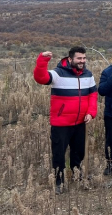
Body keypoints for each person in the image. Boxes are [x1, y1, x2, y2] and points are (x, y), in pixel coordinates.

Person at [33, 47, 97, 194]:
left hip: (81, 122)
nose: (82, 61)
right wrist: (42, 60)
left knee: (78, 152)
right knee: (59, 154)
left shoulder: (88, 74)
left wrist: (91, 113)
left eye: (84, 58)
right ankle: (59, 182)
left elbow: (93, 94)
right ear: (70, 59)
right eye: (79, 59)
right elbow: (40, 78)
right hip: (61, 124)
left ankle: (77, 174)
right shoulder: (58, 73)